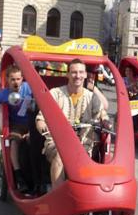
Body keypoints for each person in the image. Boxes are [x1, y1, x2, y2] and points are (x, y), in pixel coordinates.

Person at [35, 59, 108, 189]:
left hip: (84, 144)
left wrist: (106, 122)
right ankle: (58, 198)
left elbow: (102, 113)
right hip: (57, 143)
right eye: (74, 72)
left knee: (91, 159)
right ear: (67, 74)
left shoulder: (91, 97)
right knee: (60, 156)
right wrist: (43, 128)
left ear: (85, 74)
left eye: (81, 72)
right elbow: (40, 119)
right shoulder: (55, 94)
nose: (77, 76)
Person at [0, 66, 33, 192]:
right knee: (13, 144)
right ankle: (19, 178)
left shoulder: (30, 88)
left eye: (18, 79)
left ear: (22, 78)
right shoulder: (3, 94)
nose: (16, 82)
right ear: (7, 79)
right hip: (16, 126)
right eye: (13, 79)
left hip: (33, 124)